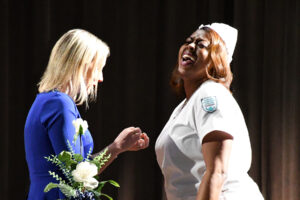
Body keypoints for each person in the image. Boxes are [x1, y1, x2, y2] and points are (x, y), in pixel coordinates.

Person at [24, 29, 149, 200]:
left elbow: (76, 170)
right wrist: (114, 148)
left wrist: (118, 147)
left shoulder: (47, 101)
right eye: (99, 68)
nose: (101, 78)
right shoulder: (59, 103)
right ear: (81, 64)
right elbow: (76, 175)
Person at [155, 23, 264, 200]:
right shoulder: (186, 104)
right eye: (188, 41)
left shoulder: (210, 94)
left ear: (216, 60)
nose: (190, 46)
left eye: (201, 45)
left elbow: (217, 171)